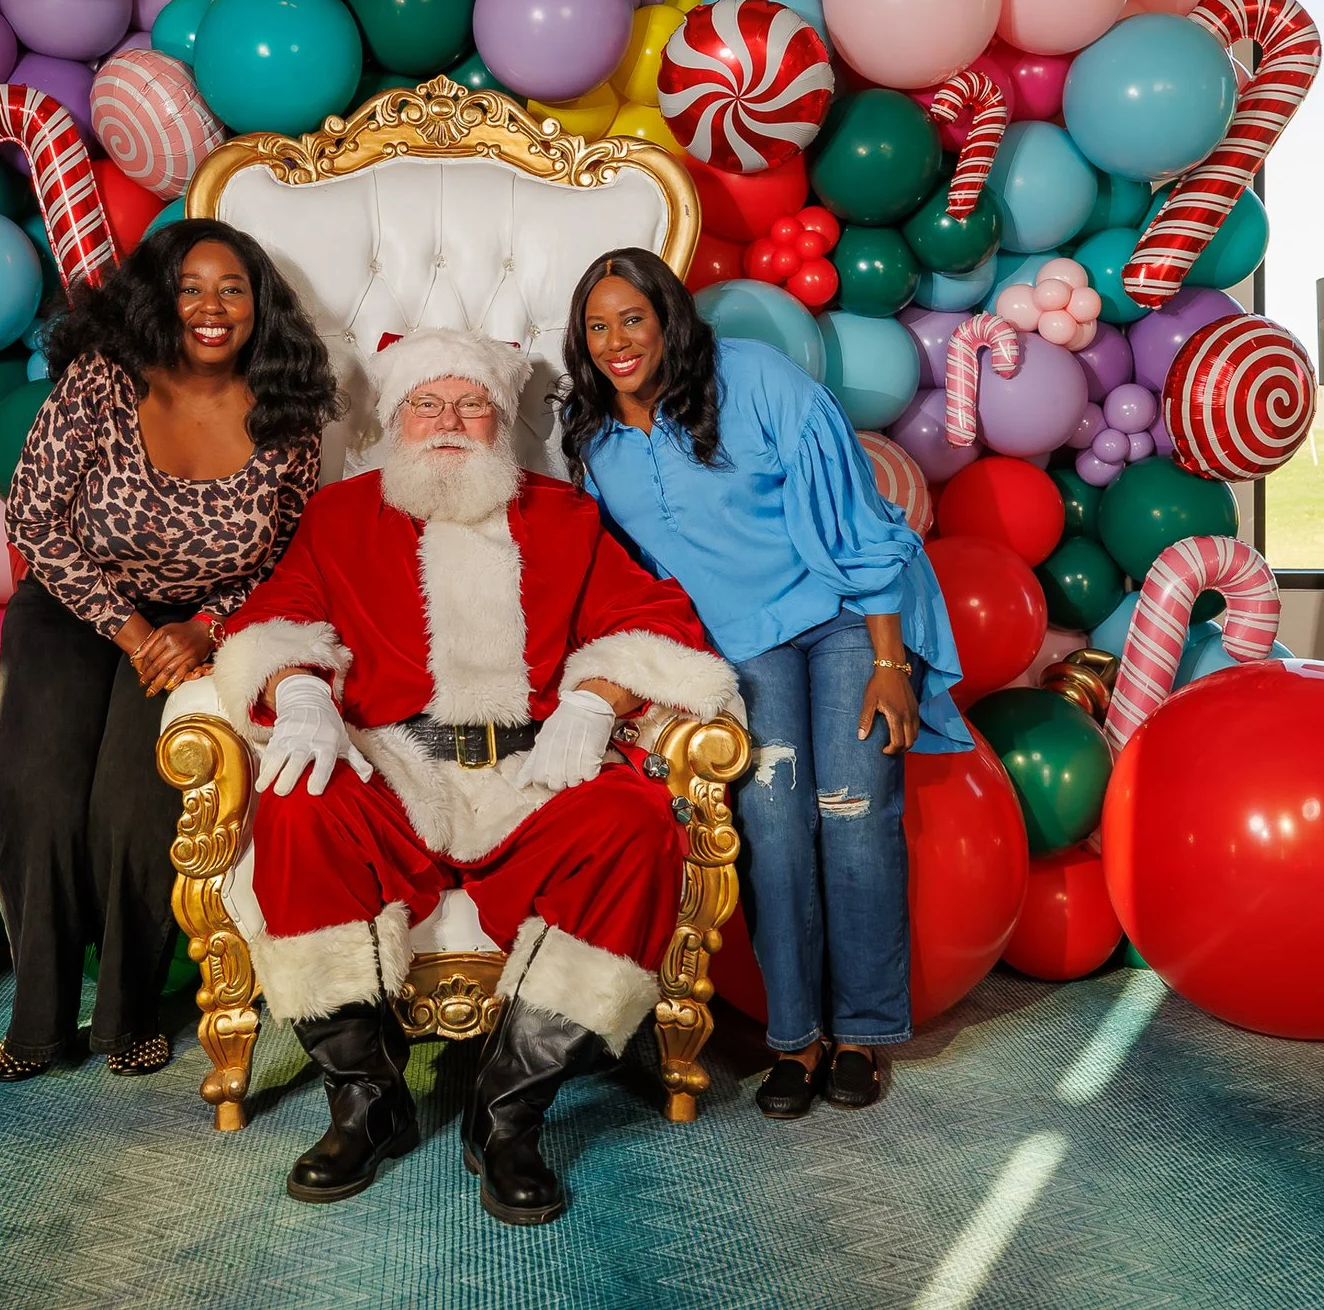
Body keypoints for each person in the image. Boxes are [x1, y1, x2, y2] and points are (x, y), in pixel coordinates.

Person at [210, 326, 735, 1226]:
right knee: (297, 805)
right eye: (427, 403)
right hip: (397, 769)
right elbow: (279, 616)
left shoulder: (563, 516)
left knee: (637, 825)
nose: (449, 421)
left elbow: (651, 620)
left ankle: (507, 1115)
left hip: (532, 770)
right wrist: (298, 694)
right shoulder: (341, 516)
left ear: (500, 420)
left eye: (471, 405)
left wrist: (595, 703)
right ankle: (366, 1103)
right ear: (394, 418)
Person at [559, 249, 967, 1122]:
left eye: (633, 318)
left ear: (669, 318)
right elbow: (629, 578)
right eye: (597, 326)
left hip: (844, 614)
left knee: (853, 813)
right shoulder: (591, 438)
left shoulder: (755, 379)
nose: (616, 341)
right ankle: (796, 1041)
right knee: (773, 826)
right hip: (742, 647)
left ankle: (859, 1034)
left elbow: (856, 519)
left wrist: (892, 665)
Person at [0, 218, 339, 1083]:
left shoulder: (287, 409)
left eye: (232, 289)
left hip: (199, 624)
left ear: (260, 306)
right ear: (160, 298)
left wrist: (206, 626)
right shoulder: (103, 379)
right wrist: (134, 629)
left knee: (136, 806)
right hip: (77, 605)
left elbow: (291, 553)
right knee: (36, 794)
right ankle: (38, 1017)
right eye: (191, 287)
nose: (211, 308)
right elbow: (33, 516)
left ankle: (131, 1010)